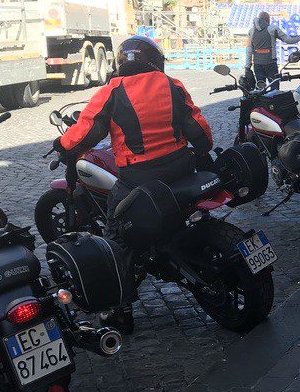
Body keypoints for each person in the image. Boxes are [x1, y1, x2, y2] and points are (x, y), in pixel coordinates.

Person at [55, 35, 213, 333]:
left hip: (139, 176)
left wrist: (62, 144)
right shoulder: (173, 85)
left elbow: (87, 132)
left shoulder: (113, 90)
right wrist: (203, 151)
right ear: (154, 60)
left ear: (122, 61)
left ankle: (119, 310)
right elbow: (198, 127)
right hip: (181, 168)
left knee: (116, 237)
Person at [246, 11, 300, 87]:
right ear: (267, 19)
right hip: (271, 64)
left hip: (257, 65)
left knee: (260, 88)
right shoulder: (273, 29)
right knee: (274, 89)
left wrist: (247, 67)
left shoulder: (251, 31)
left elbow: (248, 50)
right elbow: (288, 40)